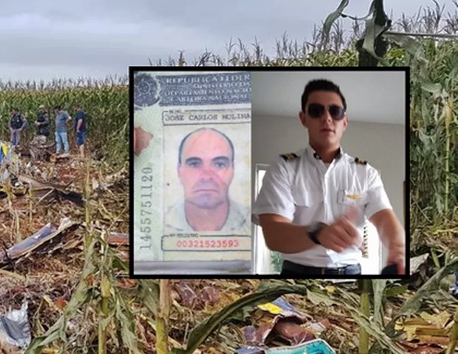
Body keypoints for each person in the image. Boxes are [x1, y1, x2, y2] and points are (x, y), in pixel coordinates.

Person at [252, 79, 406, 276]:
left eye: (335, 111)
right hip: (296, 277)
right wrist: (317, 232)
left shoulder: (366, 173)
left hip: (351, 278)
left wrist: (397, 248)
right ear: (303, 118)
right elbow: (274, 235)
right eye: (316, 111)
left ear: (345, 121)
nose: (326, 118)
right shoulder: (283, 168)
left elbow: (385, 219)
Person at [165, 127, 249, 233]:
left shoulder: (251, 223)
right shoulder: (157, 223)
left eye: (219, 164)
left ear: (232, 170)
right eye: (194, 164)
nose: (206, 176)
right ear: (179, 171)